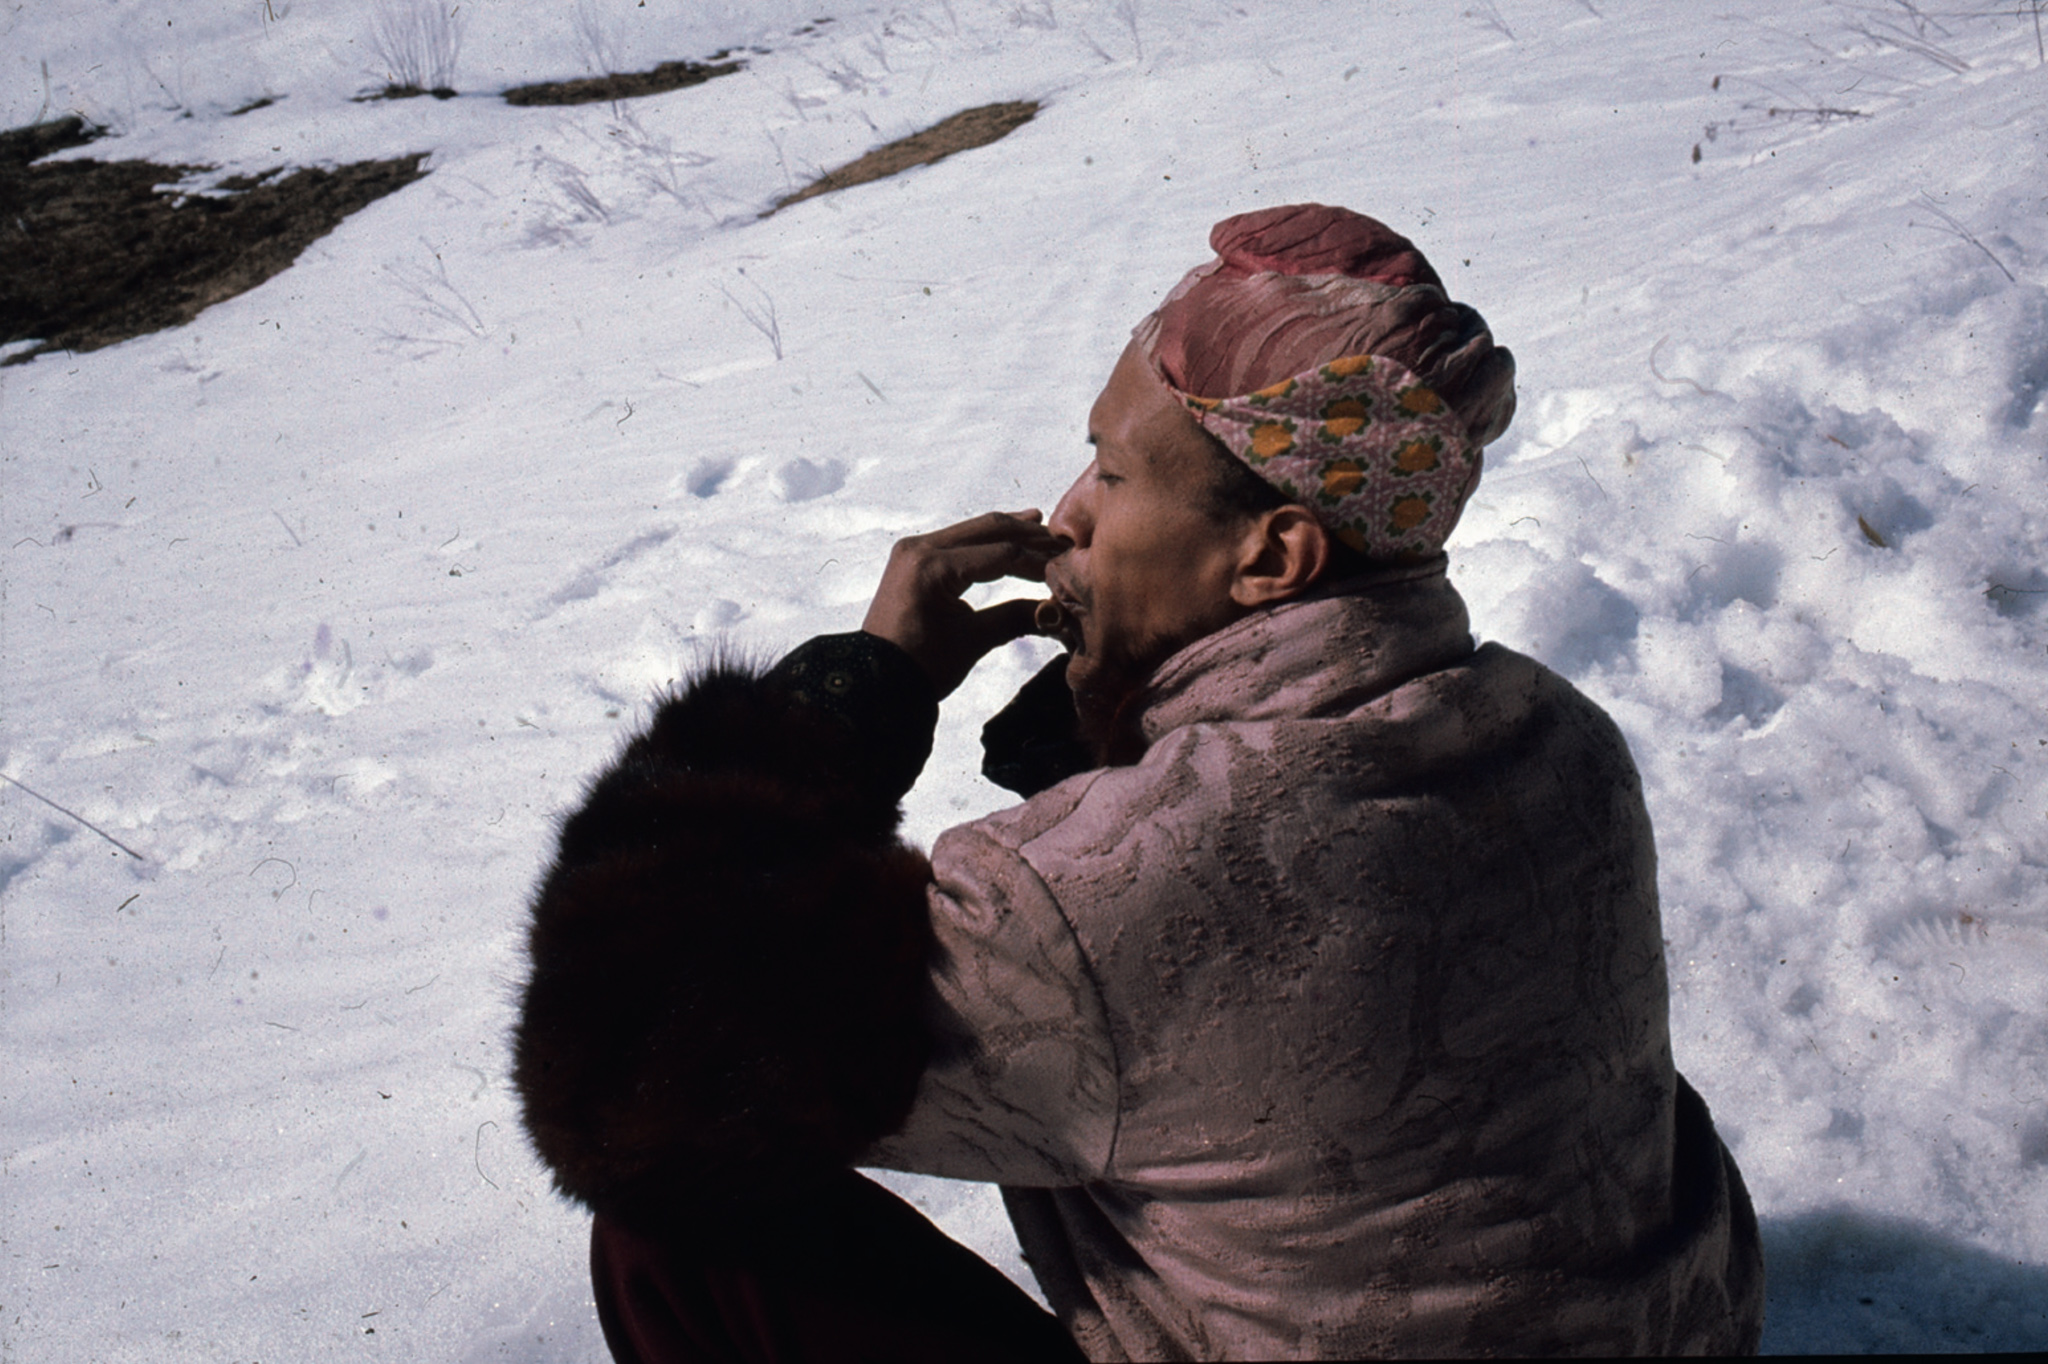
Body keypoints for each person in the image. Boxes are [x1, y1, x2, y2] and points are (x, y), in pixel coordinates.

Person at [512, 204, 1765, 1361]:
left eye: (1111, 474)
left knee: (674, 1224)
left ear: (1273, 554)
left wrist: (852, 698)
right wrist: (1122, 729)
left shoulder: (1087, 896)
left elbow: (621, 1061)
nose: (1065, 516)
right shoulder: (1555, 730)